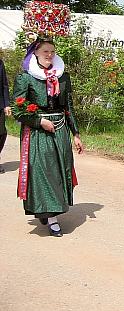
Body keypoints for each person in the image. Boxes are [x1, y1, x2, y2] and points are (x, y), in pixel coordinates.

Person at [14, 37, 84, 236]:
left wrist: (76, 134)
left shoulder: (62, 77)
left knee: (60, 171)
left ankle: (47, 209)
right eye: (46, 51)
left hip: (60, 129)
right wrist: (39, 121)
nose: (50, 55)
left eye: (52, 51)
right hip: (38, 132)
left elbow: (68, 107)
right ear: (35, 53)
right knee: (46, 173)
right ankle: (52, 219)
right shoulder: (25, 78)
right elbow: (19, 110)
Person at [0, 55, 10, 173]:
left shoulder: (0, 63)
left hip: (0, 105)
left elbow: (4, 85)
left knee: (2, 132)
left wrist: (7, 104)